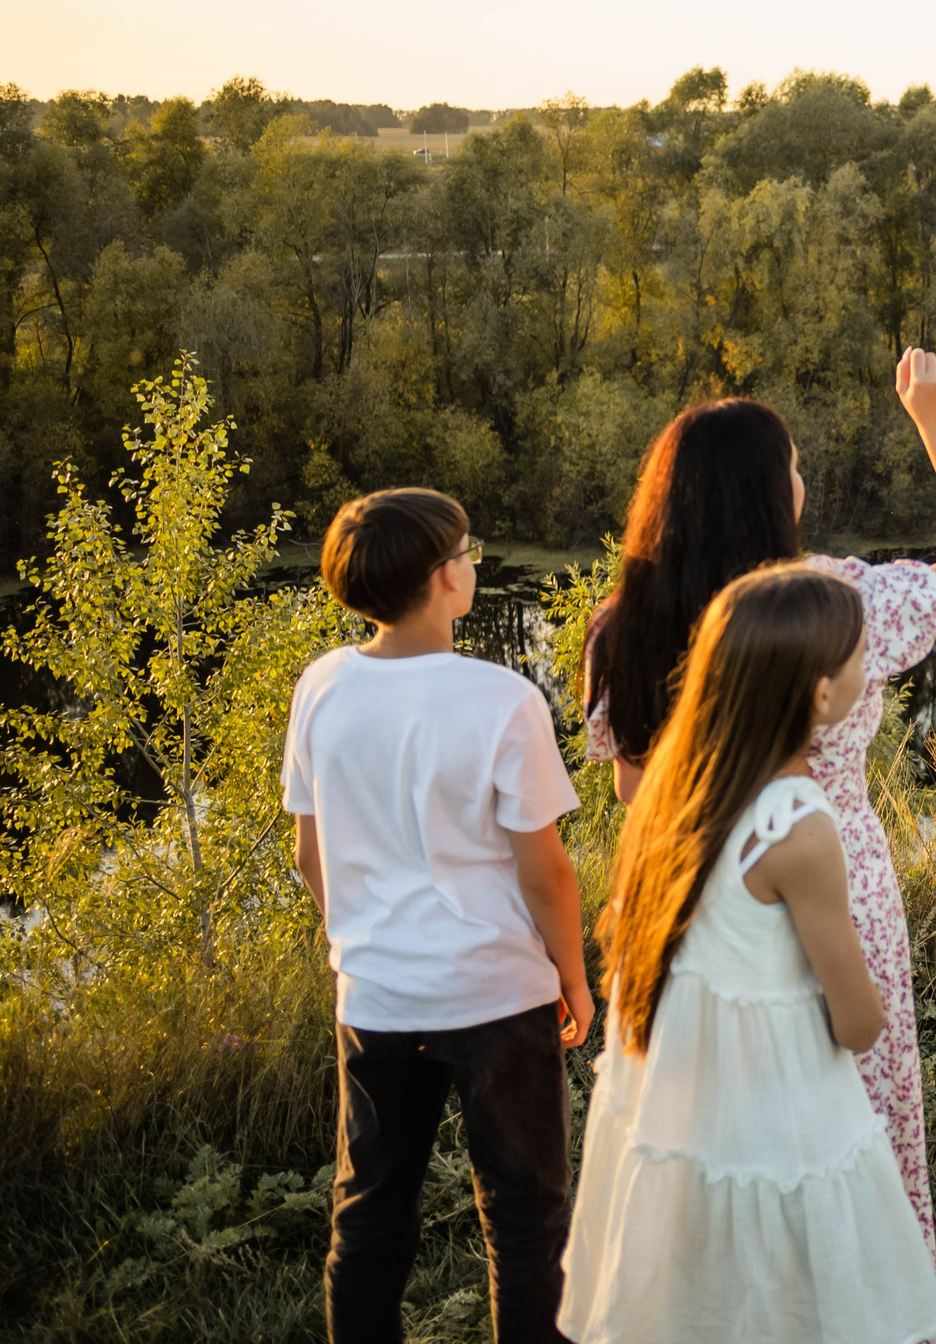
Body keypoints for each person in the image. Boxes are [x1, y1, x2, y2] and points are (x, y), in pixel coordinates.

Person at [580, 348, 936, 1252]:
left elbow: (631, 785)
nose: (802, 477)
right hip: (831, 879)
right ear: (767, 496)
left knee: (722, 1137)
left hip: (686, 895)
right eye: (792, 466)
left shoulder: (621, 624)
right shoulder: (832, 599)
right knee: (847, 1115)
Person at [560, 561, 936, 1344]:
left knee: (708, 1299)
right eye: (858, 661)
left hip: (687, 1115)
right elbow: (858, 1022)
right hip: (787, 1113)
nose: (867, 671)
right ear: (819, 695)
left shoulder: (667, 794)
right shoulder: (798, 823)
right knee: (797, 1299)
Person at [284, 488, 589, 1344]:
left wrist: (360, 944)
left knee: (371, 1207)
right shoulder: (501, 699)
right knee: (526, 1215)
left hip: (374, 994)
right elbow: (547, 872)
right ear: (441, 578)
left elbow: (311, 857)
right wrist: (573, 976)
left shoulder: (322, 685)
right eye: (467, 551)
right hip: (495, 993)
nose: (473, 562)